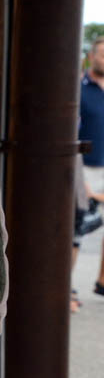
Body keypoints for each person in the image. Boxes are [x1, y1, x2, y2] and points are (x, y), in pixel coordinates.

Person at [79, 37, 104, 296]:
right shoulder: (78, 88)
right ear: (91, 57)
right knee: (76, 230)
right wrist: (79, 178)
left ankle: (102, 282)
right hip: (85, 168)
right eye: (103, 55)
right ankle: (67, 290)